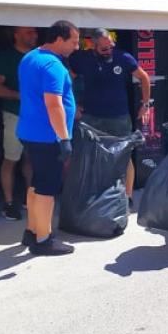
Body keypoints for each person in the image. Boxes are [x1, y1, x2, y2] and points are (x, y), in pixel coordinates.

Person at [17, 20, 80, 255]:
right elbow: (54, 104)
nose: (76, 47)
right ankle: (44, 240)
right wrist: (64, 139)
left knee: (37, 182)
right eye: (73, 42)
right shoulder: (53, 65)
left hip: (29, 132)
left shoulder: (30, 57)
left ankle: (32, 231)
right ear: (59, 39)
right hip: (47, 136)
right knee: (47, 187)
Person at [69, 28, 151, 205]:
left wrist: (145, 104)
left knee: (124, 155)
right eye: (104, 49)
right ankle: (92, 195)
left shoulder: (123, 57)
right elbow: (67, 79)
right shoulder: (83, 59)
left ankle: (128, 196)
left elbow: (144, 77)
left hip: (119, 116)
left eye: (111, 47)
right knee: (90, 155)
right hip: (91, 117)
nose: (109, 51)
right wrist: (73, 104)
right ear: (93, 46)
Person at [0, 26, 38, 221]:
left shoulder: (39, 56)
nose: (34, 35)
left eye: (35, 32)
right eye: (29, 32)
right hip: (14, 114)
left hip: (37, 116)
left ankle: (31, 198)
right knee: (11, 158)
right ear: (16, 35)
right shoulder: (5, 57)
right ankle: (9, 203)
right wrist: (20, 96)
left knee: (31, 158)